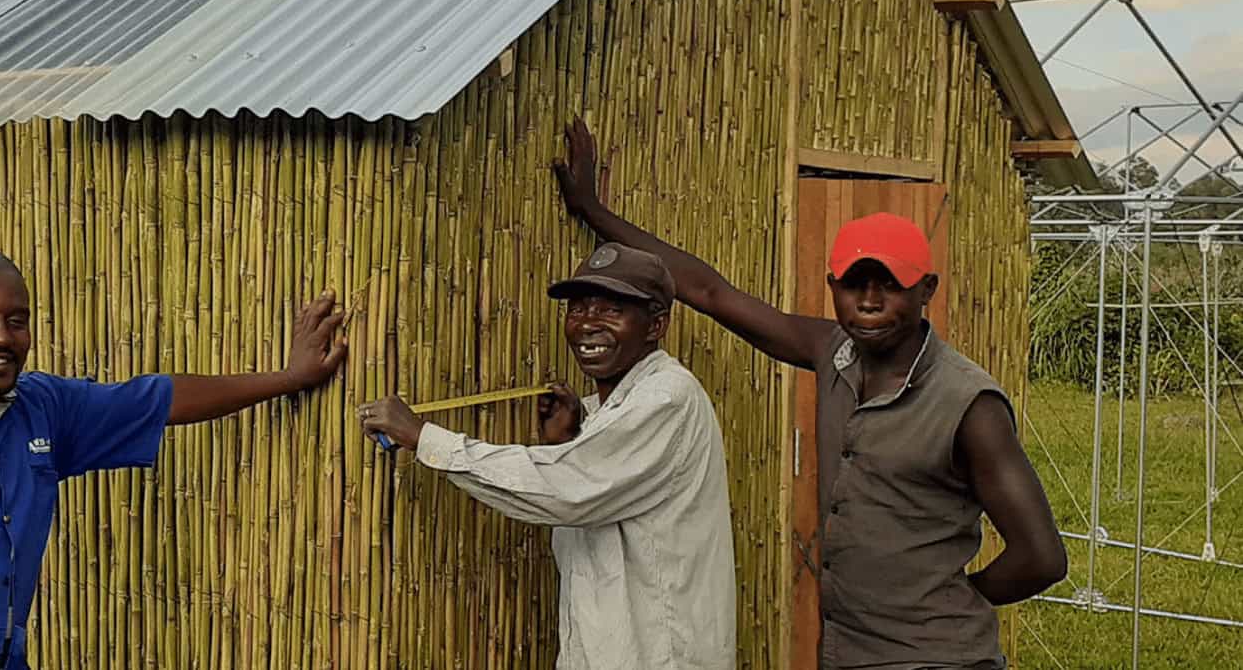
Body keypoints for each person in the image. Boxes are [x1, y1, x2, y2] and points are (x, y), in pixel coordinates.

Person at [552, 119, 1067, 669]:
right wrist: (595, 214)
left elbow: (1040, 557)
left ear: (927, 291)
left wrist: (948, 604)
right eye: (854, 283)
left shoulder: (967, 404)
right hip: (847, 652)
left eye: (890, 284)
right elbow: (708, 291)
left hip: (937, 658)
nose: (869, 301)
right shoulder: (833, 352)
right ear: (832, 287)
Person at [0, 248, 348, 670]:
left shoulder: (41, 409)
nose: (0, 337)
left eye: (17, 320)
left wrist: (288, 378)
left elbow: (155, 399)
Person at [358, 242, 736, 670]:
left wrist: (424, 437)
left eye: (611, 311)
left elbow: (568, 492)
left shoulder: (667, 399)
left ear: (655, 325)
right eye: (577, 310)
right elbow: (593, 500)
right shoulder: (613, 411)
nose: (587, 324)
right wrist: (567, 443)